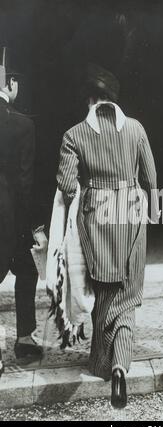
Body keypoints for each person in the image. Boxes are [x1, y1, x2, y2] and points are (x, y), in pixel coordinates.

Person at [56, 63, 159, 408]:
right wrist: (153, 210)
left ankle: (101, 362)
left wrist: (82, 199)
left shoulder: (74, 134)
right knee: (128, 294)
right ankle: (120, 365)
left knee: (104, 288)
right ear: (113, 99)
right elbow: (150, 176)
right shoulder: (136, 128)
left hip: (96, 216)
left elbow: (67, 184)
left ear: (89, 99)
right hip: (131, 212)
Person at [0, 48, 47, 376]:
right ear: (11, 84)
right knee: (27, 270)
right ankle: (24, 339)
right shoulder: (22, 126)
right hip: (10, 218)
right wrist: (35, 226)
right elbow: (25, 183)